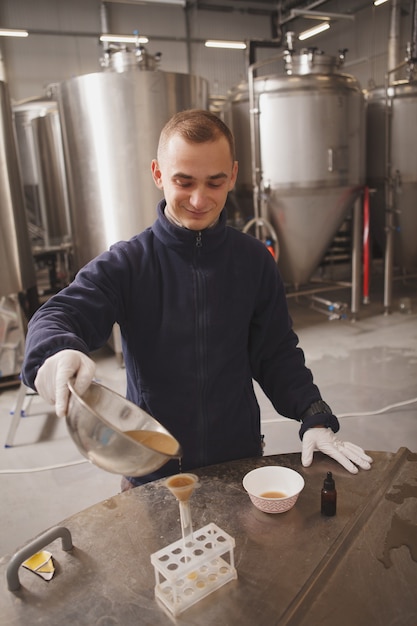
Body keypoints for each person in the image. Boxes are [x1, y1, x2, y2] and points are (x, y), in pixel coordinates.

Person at [21, 109, 372, 489]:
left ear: (233, 176)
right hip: (153, 472)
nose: (199, 199)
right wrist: (55, 352)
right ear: (158, 174)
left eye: (215, 183)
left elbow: (275, 352)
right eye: (183, 181)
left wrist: (313, 415)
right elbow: (60, 313)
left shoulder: (254, 261)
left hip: (239, 464)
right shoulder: (129, 264)